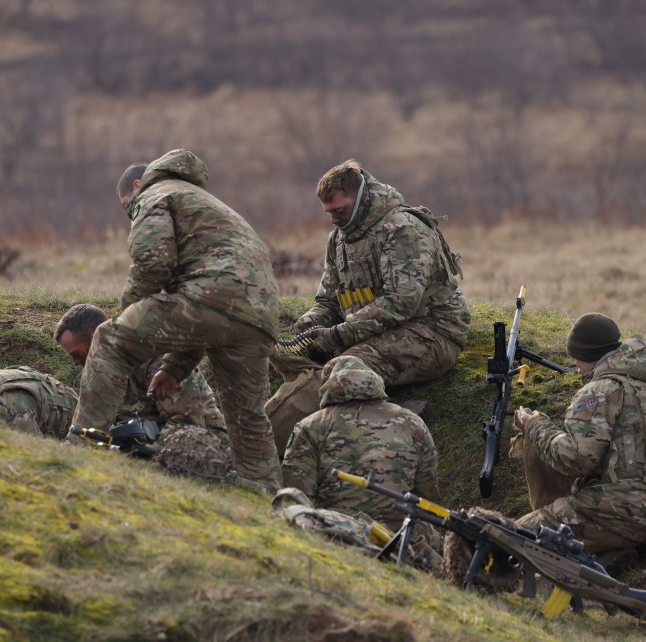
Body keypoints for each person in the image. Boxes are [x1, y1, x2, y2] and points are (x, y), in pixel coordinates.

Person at [71, 149, 282, 488]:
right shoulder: (206, 202)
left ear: (137, 186)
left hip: (213, 297)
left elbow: (154, 261)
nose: (130, 213)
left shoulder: (155, 194)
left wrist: (128, 313)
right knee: (248, 418)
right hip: (259, 316)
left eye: (127, 206)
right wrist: (175, 368)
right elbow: (208, 321)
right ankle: (266, 496)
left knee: (110, 340)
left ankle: (82, 449)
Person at [266, 159, 471, 456]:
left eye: (339, 211)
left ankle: (396, 420)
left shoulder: (403, 229)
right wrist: (309, 326)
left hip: (433, 332)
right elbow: (329, 301)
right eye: (329, 213)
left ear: (360, 196)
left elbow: (401, 302)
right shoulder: (338, 239)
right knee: (292, 354)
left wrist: (338, 336)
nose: (334, 219)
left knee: (345, 367)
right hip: (375, 332)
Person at [512, 312, 646, 562]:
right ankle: (606, 553)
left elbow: (575, 459)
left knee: (511, 537)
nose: (575, 365)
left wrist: (534, 424)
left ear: (586, 355)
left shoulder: (601, 390)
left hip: (622, 513)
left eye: (575, 357)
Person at [281, 355, 439, 531]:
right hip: (402, 536)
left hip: (340, 531)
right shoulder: (414, 422)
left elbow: (296, 496)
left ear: (329, 384)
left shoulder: (311, 426)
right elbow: (427, 495)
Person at [54, 303, 226, 434]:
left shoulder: (155, 358)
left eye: (77, 354)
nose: (76, 362)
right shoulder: (98, 374)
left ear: (95, 338)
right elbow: (89, 423)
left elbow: (188, 423)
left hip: (203, 443)